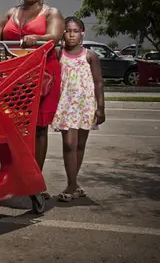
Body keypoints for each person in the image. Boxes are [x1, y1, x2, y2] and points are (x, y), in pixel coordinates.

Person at [0, 0, 64, 198]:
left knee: (39, 129)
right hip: (15, 75)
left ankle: (35, 181)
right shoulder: (11, 13)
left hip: (43, 74)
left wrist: (38, 38)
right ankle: (16, 176)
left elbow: (54, 37)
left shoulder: (51, 13)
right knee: (15, 126)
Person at [51, 17, 106, 202]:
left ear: (82, 33)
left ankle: (73, 183)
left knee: (80, 145)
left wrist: (101, 108)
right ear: (62, 34)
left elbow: (98, 82)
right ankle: (72, 185)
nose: (71, 34)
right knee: (69, 145)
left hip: (85, 105)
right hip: (66, 105)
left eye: (75, 30)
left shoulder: (90, 55)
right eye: (67, 30)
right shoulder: (59, 54)